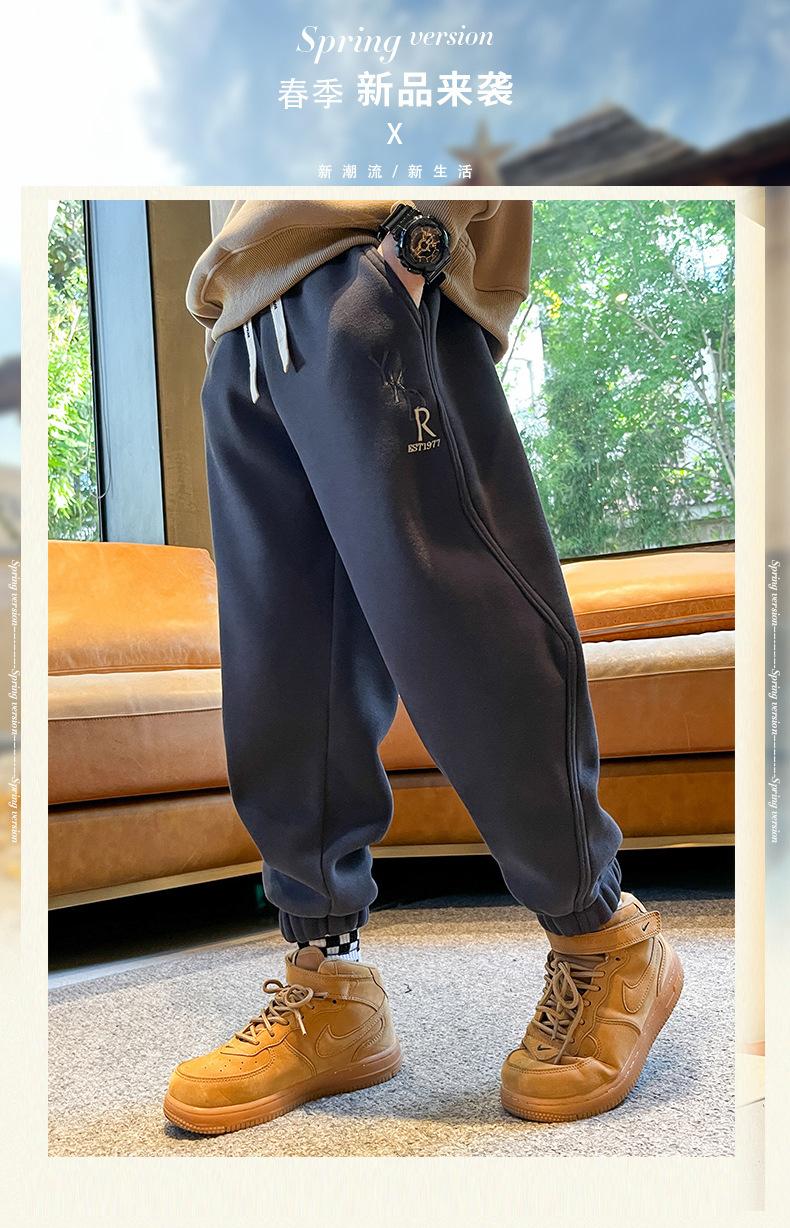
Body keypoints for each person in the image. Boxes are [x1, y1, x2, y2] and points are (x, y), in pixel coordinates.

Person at [163, 200, 683, 1136]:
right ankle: (329, 988)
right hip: (245, 323)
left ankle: (605, 938)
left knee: (463, 626)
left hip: (365, 275)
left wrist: (415, 244)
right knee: (285, 669)